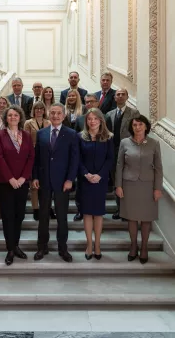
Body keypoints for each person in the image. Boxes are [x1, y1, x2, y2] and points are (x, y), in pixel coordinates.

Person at [33, 103, 79, 263]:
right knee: (43, 216)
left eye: (58, 113)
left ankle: (62, 247)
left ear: (64, 115)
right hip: (44, 181)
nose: (55, 116)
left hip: (62, 183)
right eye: (52, 113)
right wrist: (35, 177)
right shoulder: (41, 133)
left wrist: (70, 179)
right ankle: (42, 246)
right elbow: (36, 158)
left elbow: (74, 160)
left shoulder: (72, 134)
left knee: (61, 217)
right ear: (48, 114)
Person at [115, 115, 163, 264]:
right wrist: (118, 185)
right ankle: (133, 246)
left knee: (147, 218)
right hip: (129, 185)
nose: (137, 127)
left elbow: (159, 168)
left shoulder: (154, 143)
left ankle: (144, 247)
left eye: (140, 125)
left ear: (146, 127)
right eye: (135, 125)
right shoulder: (124, 143)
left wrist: (157, 188)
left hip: (148, 186)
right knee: (132, 218)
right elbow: (119, 165)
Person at [0, 105, 34, 266]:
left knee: (19, 215)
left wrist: (24, 178)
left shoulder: (27, 135)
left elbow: (31, 157)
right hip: (5, 182)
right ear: (5, 118)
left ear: (20, 117)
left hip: (22, 183)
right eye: (10, 115)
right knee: (8, 216)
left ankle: (16, 245)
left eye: (16, 115)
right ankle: (10, 249)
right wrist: (10, 178)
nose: (13, 117)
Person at [78, 108, 114, 261]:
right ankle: (89, 245)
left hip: (100, 181)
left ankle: (98, 245)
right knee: (87, 213)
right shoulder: (80, 137)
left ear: (101, 120)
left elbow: (110, 159)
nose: (92, 121)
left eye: (95, 119)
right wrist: (86, 174)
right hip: (85, 180)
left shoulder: (109, 137)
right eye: (89, 119)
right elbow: (77, 159)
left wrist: (99, 175)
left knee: (98, 213)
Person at [106, 88, 140, 220]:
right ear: (114, 97)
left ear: (127, 97)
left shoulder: (134, 113)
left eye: (123, 94)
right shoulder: (109, 114)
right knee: (117, 181)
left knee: (128, 181)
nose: (120, 96)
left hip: (129, 152)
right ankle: (119, 209)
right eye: (118, 94)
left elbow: (137, 131)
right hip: (113, 152)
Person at [73, 93, 101, 222]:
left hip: (99, 163)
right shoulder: (80, 119)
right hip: (83, 162)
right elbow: (75, 139)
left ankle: (96, 211)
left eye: (92, 101)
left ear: (97, 102)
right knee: (80, 190)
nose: (89, 104)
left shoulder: (104, 118)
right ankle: (80, 210)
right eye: (87, 102)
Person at [24, 101, 52, 221]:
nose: (39, 110)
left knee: (47, 183)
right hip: (32, 154)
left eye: (41, 108)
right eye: (37, 108)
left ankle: (48, 207)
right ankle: (35, 208)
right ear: (33, 110)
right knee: (33, 184)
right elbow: (26, 139)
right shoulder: (28, 123)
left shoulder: (49, 122)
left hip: (46, 155)